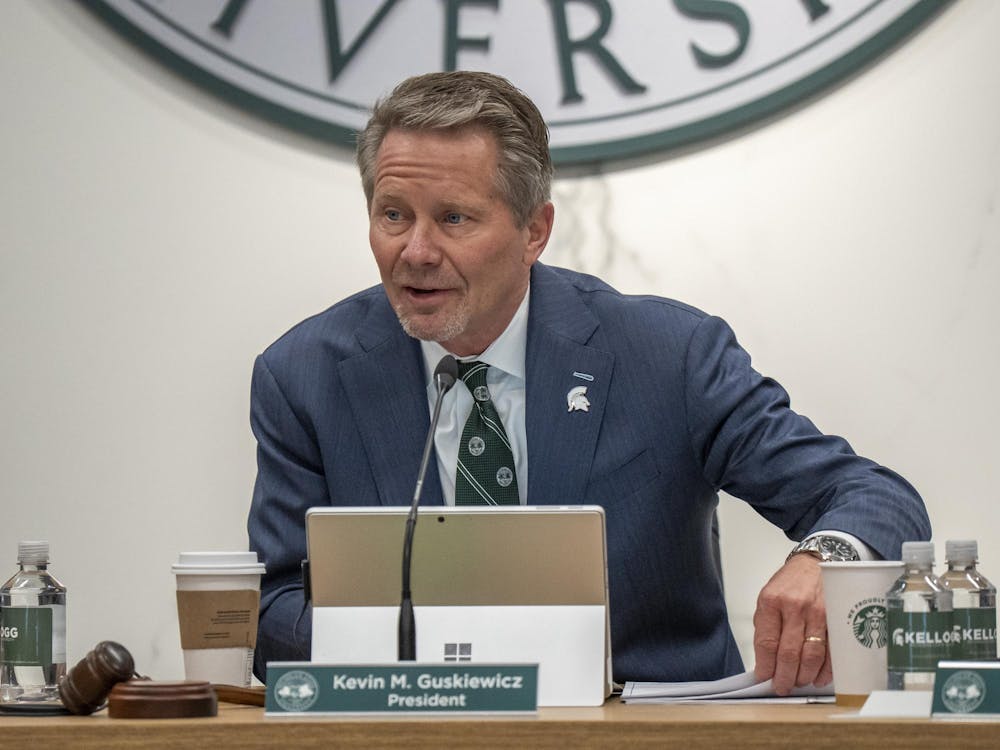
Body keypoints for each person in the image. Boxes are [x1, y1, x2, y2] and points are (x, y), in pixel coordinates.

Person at [247, 71, 929, 692]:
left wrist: (826, 557)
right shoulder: (306, 376)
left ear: (534, 230)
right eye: (394, 215)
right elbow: (271, 614)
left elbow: (873, 497)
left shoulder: (666, 356)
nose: (416, 252)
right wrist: (443, 651)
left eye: (454, 218)